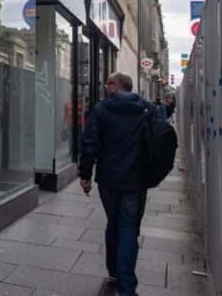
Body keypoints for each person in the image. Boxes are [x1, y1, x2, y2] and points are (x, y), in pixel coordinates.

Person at [79, 72, 153, 296]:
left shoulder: (102, 109)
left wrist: (85, 175)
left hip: (109, 180)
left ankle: (114, 271)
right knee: (128, 229)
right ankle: (127, 288)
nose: (105, 88)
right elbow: (159, 142)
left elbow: (90, 142)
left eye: (108, 84)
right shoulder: (146, 109)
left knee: (114, 223)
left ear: (117, 86)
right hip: (135, 180)